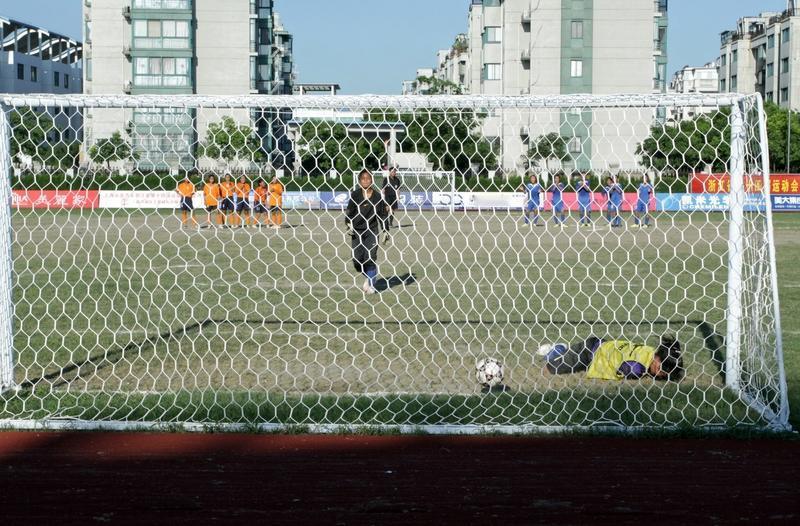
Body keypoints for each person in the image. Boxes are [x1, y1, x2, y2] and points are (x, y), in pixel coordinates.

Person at [540, 334, 684, 381]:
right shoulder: (634, 368)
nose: (661, 374)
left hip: (600, 347)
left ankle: (563, 352)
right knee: (549, 370)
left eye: (666, 373)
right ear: (657, 357)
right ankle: (557, 350)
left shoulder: (650, 352)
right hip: (589, 353)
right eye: (662, 369)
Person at [345, 169, 388, 294]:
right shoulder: (355, 195)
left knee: (370, 257)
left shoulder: (377, 196)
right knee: (357, 260)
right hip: (357, 231)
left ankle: (371, 284)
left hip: (372, 230)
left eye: (368, 178)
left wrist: (385, 230)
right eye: (363, 179)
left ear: (372, 180)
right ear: (359, 181)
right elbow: (349, 212)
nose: (365, 181)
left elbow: (382, 214)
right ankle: (368, 276)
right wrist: (348, 224)